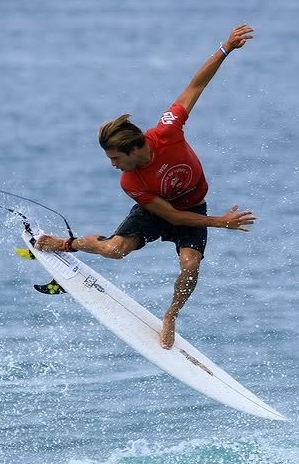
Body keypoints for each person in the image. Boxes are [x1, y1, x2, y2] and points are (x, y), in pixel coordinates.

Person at [36, 24, 257, 349]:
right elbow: (172, 217)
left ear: (134, 150)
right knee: (115, 250)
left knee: (191, 266)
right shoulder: (131, 181)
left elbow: (195, 86)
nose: (113, 166)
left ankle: (171, 316)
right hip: (161, 211)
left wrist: (226, 48)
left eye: (115, 158)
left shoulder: (167, 130)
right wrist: (220, 222)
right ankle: (68, 244)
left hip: (193, 207)